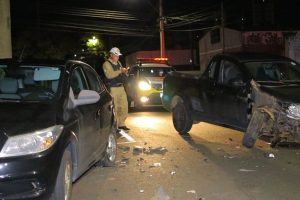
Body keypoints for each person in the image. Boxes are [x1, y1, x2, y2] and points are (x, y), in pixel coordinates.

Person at [102, 47, 130, 131]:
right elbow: (109, 75)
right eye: (116, 55)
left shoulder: (119, 63)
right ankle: (115, 125)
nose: (118, 57)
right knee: (115, 107)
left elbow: (121, 73)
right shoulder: (106, 64)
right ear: (111, 55)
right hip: (113, 88)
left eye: (118, 55)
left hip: (121, 87)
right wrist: (120, 71)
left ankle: (121, 123)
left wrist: (125, 72)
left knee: (124, 106)